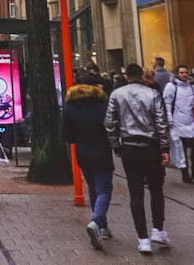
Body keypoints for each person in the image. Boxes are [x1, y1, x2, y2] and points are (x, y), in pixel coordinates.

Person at [105, 62, 171, 255]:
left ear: (126, 76)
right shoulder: (152, 94)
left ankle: (142, 238)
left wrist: (115, 145)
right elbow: (161, 121)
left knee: (135, 191)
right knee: (156, 187)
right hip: (151, 146)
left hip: (129, 147)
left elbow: (109, 122)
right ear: (142, 75)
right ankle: (157, 229)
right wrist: (164, 147)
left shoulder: (117, 94)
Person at [63, 71, 115, 249]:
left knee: (93, 188)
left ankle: (103, 227)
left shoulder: (70, 107)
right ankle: (96, 221)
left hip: (83, 152)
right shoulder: (102, 105)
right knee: (104, 190)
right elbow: (110, 126)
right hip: (101, 149)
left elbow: (67, 135)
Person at [163, 65, 194, 184]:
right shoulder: (171, 87)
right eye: (182, 72)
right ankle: (185, 173)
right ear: (177, 74)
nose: (184, 74)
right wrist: (170, 120)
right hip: (178, 122)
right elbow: (167, 103)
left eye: (186, 72)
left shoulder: (192, 87)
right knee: (181, 149)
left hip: (192, 121)